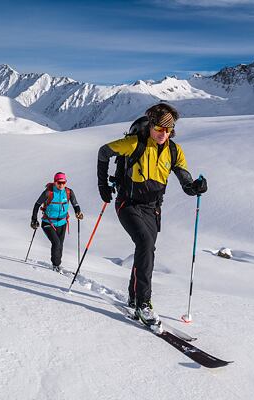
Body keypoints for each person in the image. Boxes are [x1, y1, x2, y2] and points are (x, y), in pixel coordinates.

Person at [96, 103, 207, 325]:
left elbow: (185, 182)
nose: (163, 134)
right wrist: (102, 186)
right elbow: (103, 152)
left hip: (153, 209)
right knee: (145, 244)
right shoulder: (134, 143)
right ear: (151, 125)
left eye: (168, 130)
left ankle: (133, 295)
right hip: (127, 204)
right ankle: (143, 303)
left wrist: (195, 187)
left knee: (147, 250)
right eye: (159, 128)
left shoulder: (174, 151)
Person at [31, 172, 83, 272]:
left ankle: (57, 264)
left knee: (60, 245)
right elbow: (37, 204)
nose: (61, 185)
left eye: (63, 182)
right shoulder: (48, 192)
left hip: (62, 223)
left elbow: (75, 204)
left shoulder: (69, 192)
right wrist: (34, 219)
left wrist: (78, 212)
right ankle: (56, 265)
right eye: (59, 182)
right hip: (48, 222)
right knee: (56, 243)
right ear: (55, 182)